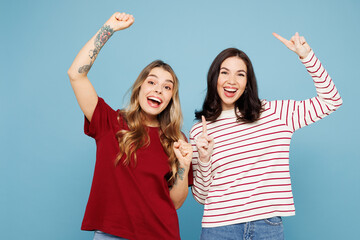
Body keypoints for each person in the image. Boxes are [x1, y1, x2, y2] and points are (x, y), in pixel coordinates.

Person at [190, 32, 342, 240]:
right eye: (224, 72)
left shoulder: (275, 113)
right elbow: (200, 196)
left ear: (247, 83)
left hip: (266, 227)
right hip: (219, 228)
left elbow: (331, 101)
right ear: (214, 77)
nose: (231, 81)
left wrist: (307, 57)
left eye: (240, 74)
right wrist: (205, 158)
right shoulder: (200, 131)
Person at [67, 12, 193, 240]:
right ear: (140, 88)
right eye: (152, 82)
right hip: (110, 235)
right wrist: (108, 29)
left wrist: (184, 167)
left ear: (171, 97)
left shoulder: (177, 140)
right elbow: (76, 75)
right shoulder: (109, 122)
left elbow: (174, 202)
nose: (157, 90)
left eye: (167, 87)